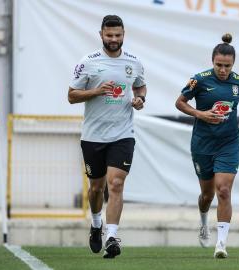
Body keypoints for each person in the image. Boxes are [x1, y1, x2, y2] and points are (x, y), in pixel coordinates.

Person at [68, 15, 147, 259]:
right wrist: (95, 91)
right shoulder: (88, 62)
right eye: (109, 35)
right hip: (93, 136)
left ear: (124, 34)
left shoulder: (134, 62)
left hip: (122, 134)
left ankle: (112, 237)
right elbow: (71, 96)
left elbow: (140, 86)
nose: (114, 40)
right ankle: (95, 224)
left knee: (116, 184)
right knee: (96, 188)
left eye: (118, 35)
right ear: (101, 34)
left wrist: (140, 99)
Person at [175, 33, 239, 258]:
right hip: (203, 143)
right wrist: (200, 113)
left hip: (229, 142)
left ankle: (221, 244)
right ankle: (203, 222)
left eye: (227, 66)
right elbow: (180, 102)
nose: (222, 70)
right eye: (219, 65)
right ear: (212, 62)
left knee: (224, 190)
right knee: (207, 195)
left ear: (233, 64)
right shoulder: (199, 80)